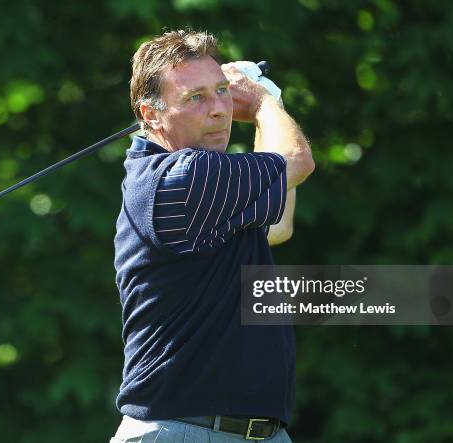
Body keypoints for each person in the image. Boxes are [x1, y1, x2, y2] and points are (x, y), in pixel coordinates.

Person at [112, 29, 314, 442]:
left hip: (256, 433)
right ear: (150, 115)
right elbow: (296, 161)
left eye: (222, 91)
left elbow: (278, 227)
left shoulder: (207, 191)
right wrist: (263, 103)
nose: (219, 109)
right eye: (195, 98)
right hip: (181, 431)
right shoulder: (182, 178)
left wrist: (265, 109)